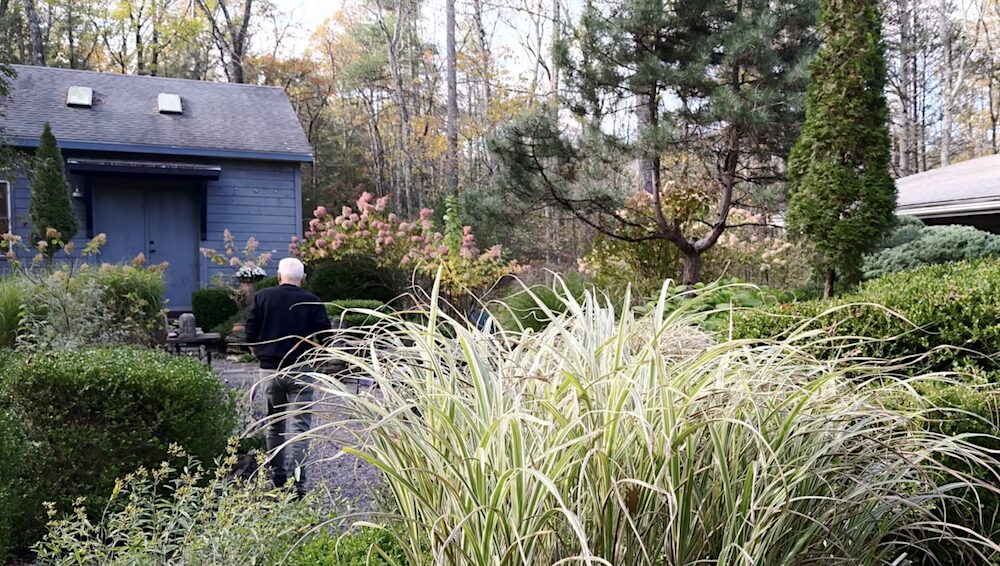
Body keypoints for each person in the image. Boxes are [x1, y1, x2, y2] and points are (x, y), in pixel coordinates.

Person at [245, 257, 331, 495]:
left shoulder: (262, 297)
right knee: (301, 428)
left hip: (270, 370)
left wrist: (260, 355)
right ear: (303, 278)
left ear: (279, 275)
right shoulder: (312, 301)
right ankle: (298, 483)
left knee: (275, 425)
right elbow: (327, 338)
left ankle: (277, 477)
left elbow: (250, 334)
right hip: (301, 370)